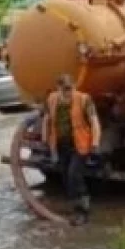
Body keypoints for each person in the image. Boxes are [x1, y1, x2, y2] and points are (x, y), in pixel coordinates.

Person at [42, 74, 102, 225]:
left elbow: (94, 122)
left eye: (70, 89)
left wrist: (95, 143)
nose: (68, 93)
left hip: (80, 145)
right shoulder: (52, 99)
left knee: (74, 174)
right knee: (65, 176)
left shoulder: (84, 99)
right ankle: (75, 207)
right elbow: (47, 120)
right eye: (65, 90)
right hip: (61, 145)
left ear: (74, 87)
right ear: (59, 89)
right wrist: (45, 141)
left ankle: (83, 211)